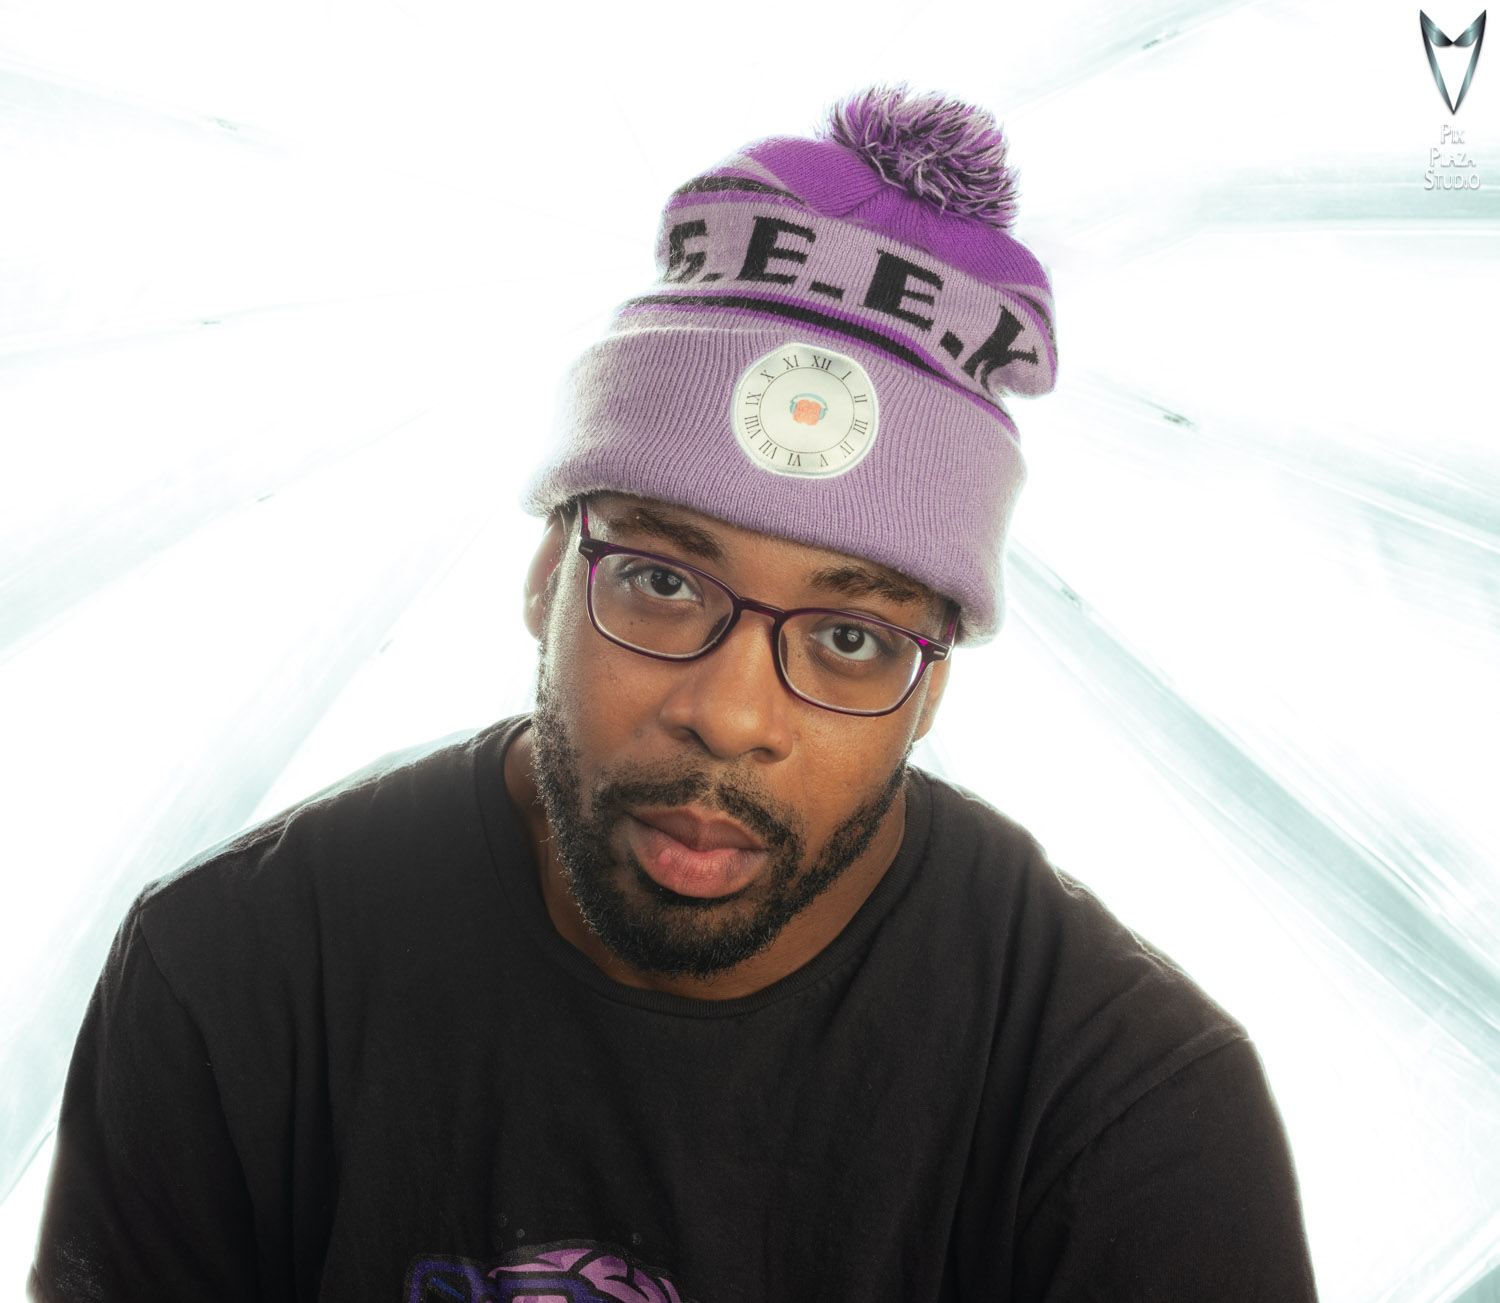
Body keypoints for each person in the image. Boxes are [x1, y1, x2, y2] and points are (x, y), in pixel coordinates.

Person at [31, 86, 1319, 1301]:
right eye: (659, 581)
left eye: (851, 640)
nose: (731, 713)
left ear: (933, 684)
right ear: (548, 574)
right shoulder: (233, 978)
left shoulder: (1133, 1114)